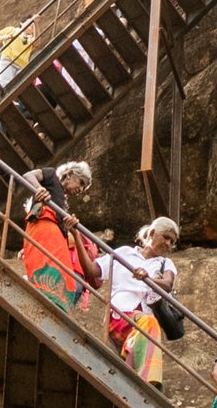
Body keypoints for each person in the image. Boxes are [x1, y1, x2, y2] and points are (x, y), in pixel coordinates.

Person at [96, 217, 179, 384]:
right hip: (119, 315)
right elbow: (93, 270)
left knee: (148, 326)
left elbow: (167, 284)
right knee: (150, 324)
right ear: (153, 233)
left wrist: (147, 279)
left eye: (172, 241)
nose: (169, 244)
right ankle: (150, 382)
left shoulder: (165, 263)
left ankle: (137, 380)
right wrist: (76, 234)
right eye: (166, 237)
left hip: (141, 323)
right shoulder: (124, 252)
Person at [16, 162, 98, 309]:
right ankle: (47, 300)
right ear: (70, 173)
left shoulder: (63, 203)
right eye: (81, 183)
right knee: (46, 268)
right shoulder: (51, 176)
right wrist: (39, 188)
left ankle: (56, 304)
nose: (80, 189)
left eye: (83, 188)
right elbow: (28, 175)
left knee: (68, 279)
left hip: (56, 238)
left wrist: (70, 227)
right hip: (44, 225)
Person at [0, 19, 36, 89]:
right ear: (21, 23)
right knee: (7, 85)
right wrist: (6, 37)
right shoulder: (12, 30)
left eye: (32, 26)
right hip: (7, 60)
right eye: (29, 24)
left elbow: (37, 43)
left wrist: (36, 25)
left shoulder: (31, 39)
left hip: (22, 66)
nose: (31, 26)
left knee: (23, 86)